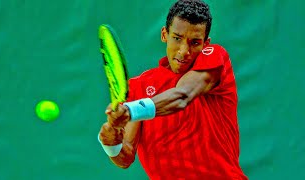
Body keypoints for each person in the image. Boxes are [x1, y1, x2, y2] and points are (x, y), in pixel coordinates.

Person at [98, 0, 248, 179]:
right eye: (177, 38)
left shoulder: (215, 58)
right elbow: (126, 156)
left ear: (205, 44)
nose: (184, 51)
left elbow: (182, 95)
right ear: (164, 34)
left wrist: (130, 110)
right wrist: (110, 142)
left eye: (194, 43)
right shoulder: (139, 86)